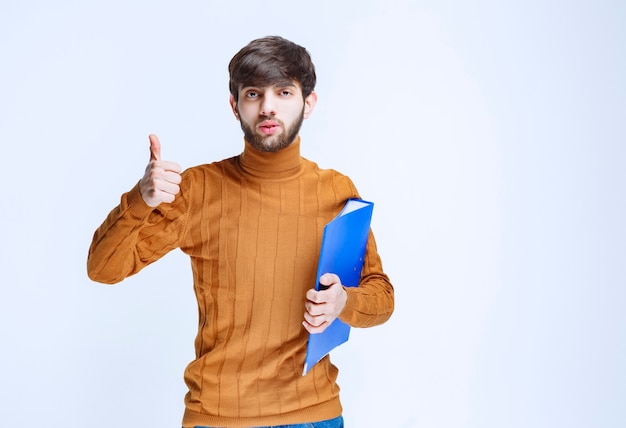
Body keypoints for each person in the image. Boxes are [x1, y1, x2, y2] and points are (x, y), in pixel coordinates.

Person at [87, 35, 394, 428]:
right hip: (219, 417)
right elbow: (103, 269)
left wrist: (343, 304)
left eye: (284, 92)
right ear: (235, 106)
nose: (268, 106)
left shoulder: (336, 191)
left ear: (308, 103)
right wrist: (140, 200)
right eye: (253, 94)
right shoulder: (197, 190)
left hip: (314, 415)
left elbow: (381, 296)